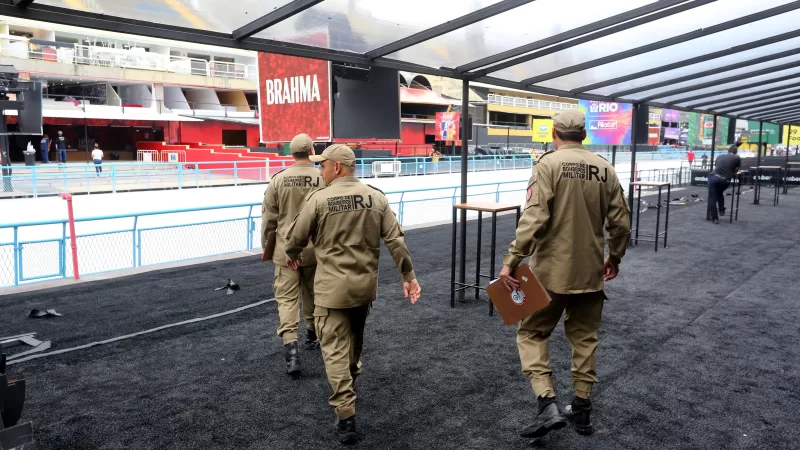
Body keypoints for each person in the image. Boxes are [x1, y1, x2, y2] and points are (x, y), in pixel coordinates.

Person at [497, 110, 630, 440]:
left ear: (554, 132)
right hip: (591, 274)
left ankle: (547, 403)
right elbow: (621, 224)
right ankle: (582, 410)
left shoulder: (547, 165)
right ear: (584, 135)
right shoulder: (605, 168)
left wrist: (512, 260)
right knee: (585, 339)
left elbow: (534, 219)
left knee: (532, 334)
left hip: (549, 275)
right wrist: (614, 257)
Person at [285, 144, 421, 444]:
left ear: (336, 167)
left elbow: (295, 238)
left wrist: (292, 253)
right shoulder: (376, 197)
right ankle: (349, 386)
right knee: (353, 349)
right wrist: (408, 276)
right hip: (363, 291)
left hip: (330, 291)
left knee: (333, 350)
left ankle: (345, 415)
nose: (320, 171)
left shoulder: (319, 199)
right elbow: (395, 240)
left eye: (323, 166)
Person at [261, 133, 325, 376]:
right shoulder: (323, 178)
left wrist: (268, 246)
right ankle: (312, 334)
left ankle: (291, 349)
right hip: (315, 249)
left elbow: (269, 218)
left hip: (286, 252)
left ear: (291, 153)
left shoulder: (277, 180)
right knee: (313, 293)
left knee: (287, 299)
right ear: (311, 150)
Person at [707, 145, 741, 224]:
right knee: (719, 192)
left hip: (713, 177)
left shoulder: (720, 156)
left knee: (712, 198)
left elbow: (717, 167)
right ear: (735, 152)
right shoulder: (737, 158)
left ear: (728, 151)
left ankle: (715, 218)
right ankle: (721, 209)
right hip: (724, 180)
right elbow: (736, 170)